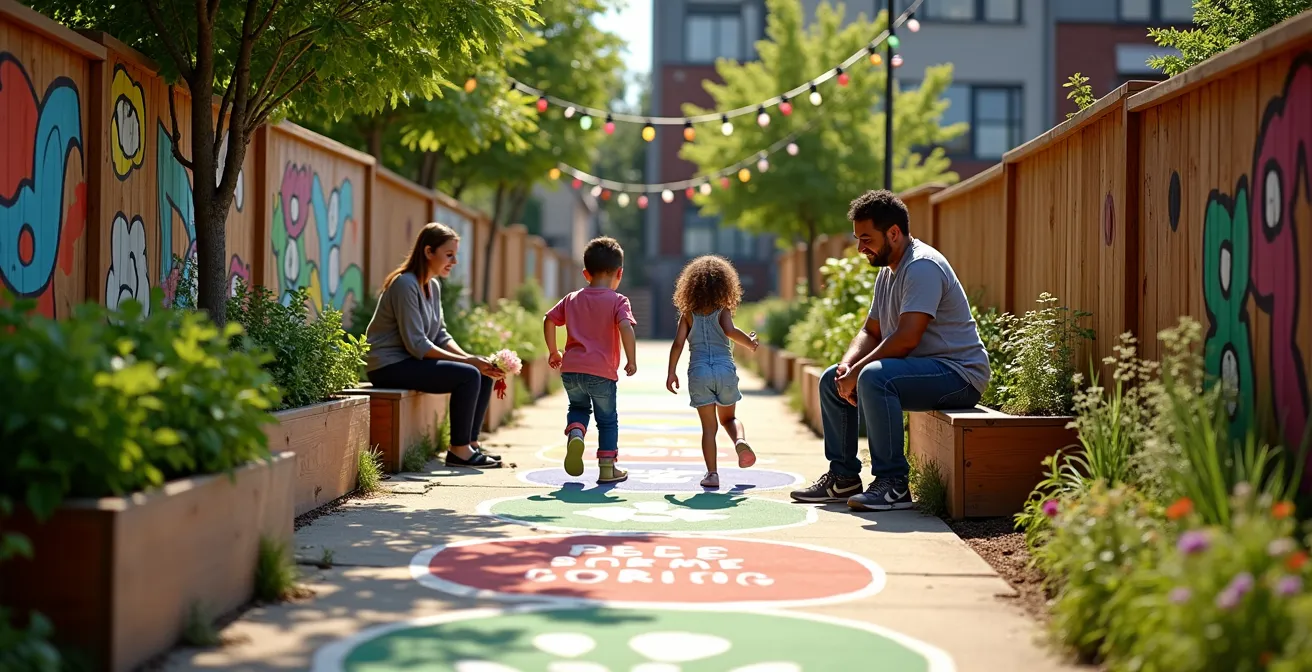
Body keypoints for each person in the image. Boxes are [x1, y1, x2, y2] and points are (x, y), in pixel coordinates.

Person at [790, 190, 990, 511]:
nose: (860, 248)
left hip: (959, 376)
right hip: (920, 371)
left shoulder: (922, 266)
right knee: (831, 379)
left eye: (866, 238)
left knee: (873, 377)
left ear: (894, 233)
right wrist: (846, 366)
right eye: (858, 239)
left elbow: (906, 338)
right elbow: (870, 331)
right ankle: (843, 478)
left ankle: (893, 484)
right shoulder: (888, 271)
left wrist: (858, 372)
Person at [364, 222, 505, 469]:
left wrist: (472, 358)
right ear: (429, 252)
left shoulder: (433, 285)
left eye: (455, 255)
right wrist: (468, 362)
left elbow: (440, 334)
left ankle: (470, 444)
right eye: (449, 255)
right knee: (469, 373)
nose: (454, 261)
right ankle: (459, 451)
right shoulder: (404, 284)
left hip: (410, 361)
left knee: (480, 371)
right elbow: (417, 344)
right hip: (388, 366)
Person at [543, 237, 639, 484]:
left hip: (571, 370)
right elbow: (626, 327)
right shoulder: (618, 301)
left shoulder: (571, 298)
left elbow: (549, 320)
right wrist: (631, 359)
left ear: (586, 273)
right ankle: (607, 468)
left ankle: (576, 432)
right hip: (602, 373)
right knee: (607, 420)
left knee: (578, 408)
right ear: (619, 273)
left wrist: (553, 352)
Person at [664, 256, 760, 489]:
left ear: (690, 286)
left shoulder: (688, 314)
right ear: (724, 286)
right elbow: (730, 331)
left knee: (709, 428)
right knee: (729, 419)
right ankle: (739, 441)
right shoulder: (722, 310)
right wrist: (750, 343)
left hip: (699, 372)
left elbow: (678, 344)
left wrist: (671, 372)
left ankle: (712, 474)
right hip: (724, 370)